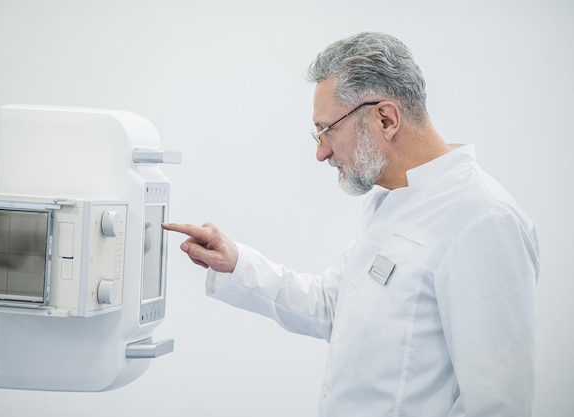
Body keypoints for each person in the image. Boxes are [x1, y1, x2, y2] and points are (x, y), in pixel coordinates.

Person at [162, 31, 540, 417]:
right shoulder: (392, 202)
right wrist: (237, 262)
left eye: (327, 130)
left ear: (385, 118)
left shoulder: (483, 220)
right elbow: (333, 306)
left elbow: (498, 405)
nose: (321, 151)